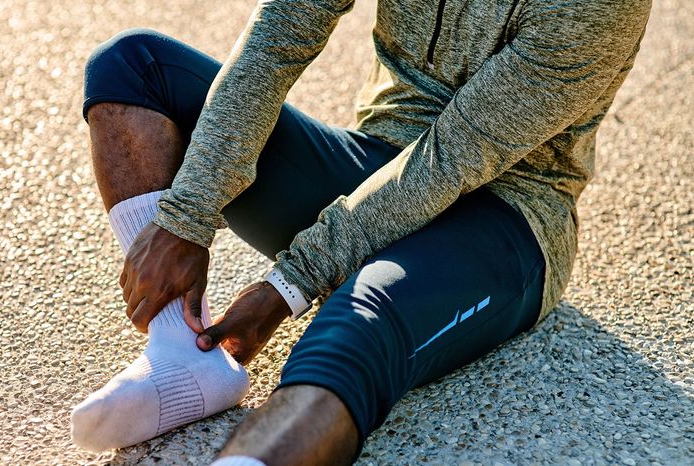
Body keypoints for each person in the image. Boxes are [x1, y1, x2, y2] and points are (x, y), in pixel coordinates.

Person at [69, 0, 651, 464]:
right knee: (132, 67)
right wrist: (187, 214)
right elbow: (281, 33)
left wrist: (289, 284)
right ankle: (183, 354)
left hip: (505, 215)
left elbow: (450, 159)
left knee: (357, 321)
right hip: (373, 160)